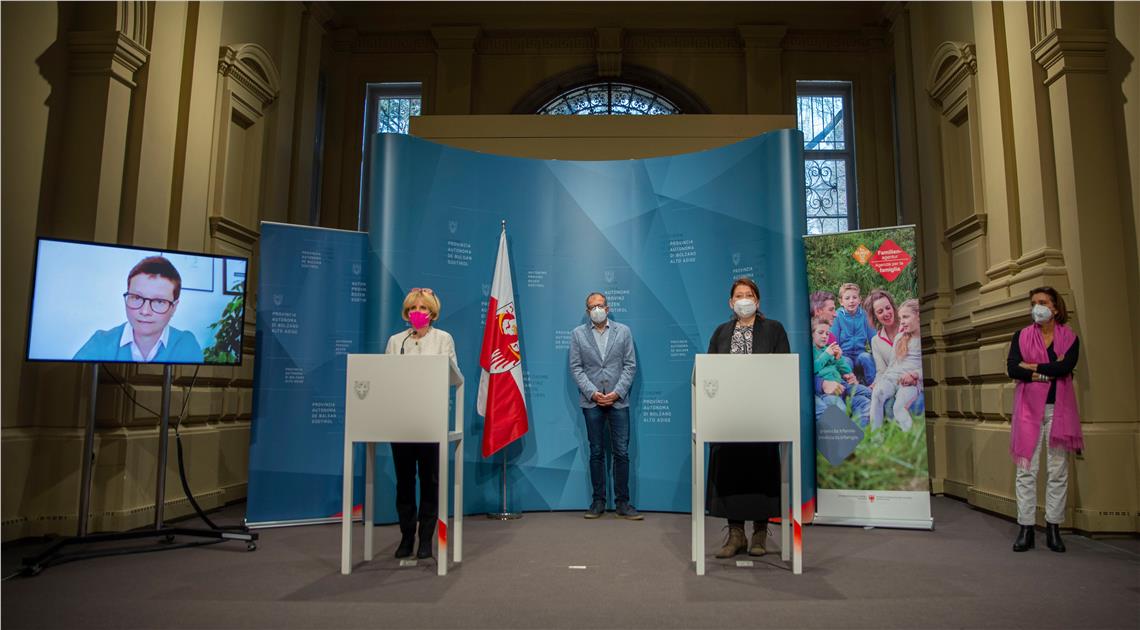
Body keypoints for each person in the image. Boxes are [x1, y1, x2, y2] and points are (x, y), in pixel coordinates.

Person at [706, 277, 789, 558]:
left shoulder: (774, 329)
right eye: (739, 295)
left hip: (762, 414)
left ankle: (760, 534)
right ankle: (736, 534)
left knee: (761, 470)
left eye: (749, 295)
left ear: (757, 301)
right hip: (730, 415)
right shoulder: (720, 333)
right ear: (731, 303)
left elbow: (783, 369)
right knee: (731, 471)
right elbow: (711, 372)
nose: (744, 300)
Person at [383, 288, 461, 559]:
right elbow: (385, 376)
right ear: (407, 313)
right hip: (401, 421)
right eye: (413, 308)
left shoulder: (443, 339)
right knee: (404, 482)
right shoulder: (396, 341)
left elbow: (453, 374)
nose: (418, 312)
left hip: (431, 419)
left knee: (430, 481)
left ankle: (426, 539)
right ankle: (407, 536)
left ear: (432, 313)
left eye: (423, 308)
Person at [1006, 287, 1081, 553]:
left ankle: (1053, 527)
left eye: (1042, 302)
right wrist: (1047, 370)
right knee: (1026, 470)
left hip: (1059, 410)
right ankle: (1026, 527)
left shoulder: (1070, 338)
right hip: (1028, 409)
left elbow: (1065, 367)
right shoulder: (1021, 336)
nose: (1037, 307)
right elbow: (1013, 368)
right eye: (1033, 302)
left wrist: (1032, 367)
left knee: (1058, 470)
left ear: (1055, 308)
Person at [568, 292, 641, 520]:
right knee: (596, 452)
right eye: (592, 307)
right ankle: (598, 502)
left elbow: (630, 365)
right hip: (592, 403)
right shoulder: (577, 334)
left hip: (619, 402)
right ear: (587, 311)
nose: (597, 309)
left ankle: (623, 503)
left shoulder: (624, 331)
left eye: (600, 305)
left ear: (607, 308)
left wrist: (617, 393)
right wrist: (593, 393)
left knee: (622, 452)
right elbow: (576, 368)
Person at [73, 256, 203, 363]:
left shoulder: (186, 344)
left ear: (174, 307)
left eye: (159, 301)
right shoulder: (100, 342)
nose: (145, 311)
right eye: (136, 297)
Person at [869, 299, 923, 432]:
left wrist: (915, 375)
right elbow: (892, 364)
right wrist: (880, 381)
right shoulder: (900, 337)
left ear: (918, 316)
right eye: (901, 318)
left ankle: (909, 437)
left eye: (906, 317)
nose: (902, 321)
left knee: (899, 407)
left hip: (910, 382)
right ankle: (876, 437)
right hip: (892, 378)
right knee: (877, 394)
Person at [812, 317, 871, 427]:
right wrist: (826, 354)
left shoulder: (828, 348)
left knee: (868, 392)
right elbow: (814, 368)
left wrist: (839, 358)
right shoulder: (812, 351)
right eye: (820, 333)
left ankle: (860, 430)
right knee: (841, 409)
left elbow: (846, 370)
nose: (825, 336)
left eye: (827, 334)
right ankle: (848, 431)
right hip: (827, 392)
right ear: (812, 334)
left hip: (843, 385)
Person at [833, 283, 878, 384]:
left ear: (859, 300)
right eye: (847, 298)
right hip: (844, 354)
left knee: (866, 358)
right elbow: (834, 341)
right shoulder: (838, 316)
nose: (851, 301)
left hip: (860, 354)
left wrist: (878, 353)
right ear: (841, 301)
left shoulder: (864, 315)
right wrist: (837, 356)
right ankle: (850, 387)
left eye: (854, 297)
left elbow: (873, 338)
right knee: (846, 363)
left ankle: (873, 385)